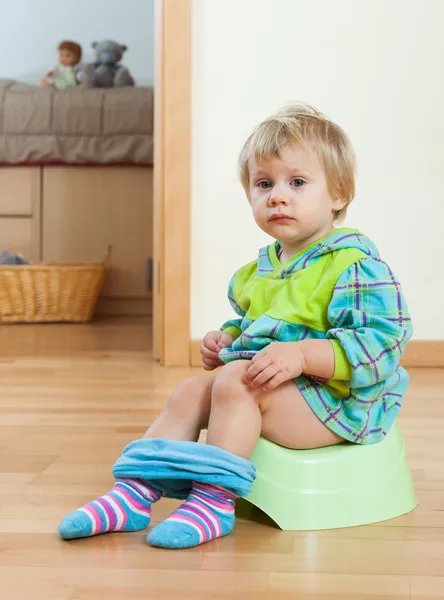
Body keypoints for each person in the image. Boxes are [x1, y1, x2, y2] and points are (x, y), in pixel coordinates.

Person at [58, 103, 413, 549]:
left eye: (297, 182)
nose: (277, 196)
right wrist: (227, 338)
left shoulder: (355, 265)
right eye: (263, 184)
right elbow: (254, 324)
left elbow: (381, 347)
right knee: (191, 389)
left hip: (340, 405)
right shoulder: (258, 271)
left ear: (339, 194)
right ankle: (132, 494)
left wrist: (302, 355)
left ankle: (214, 500)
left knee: (237, 382)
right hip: (280, 391)